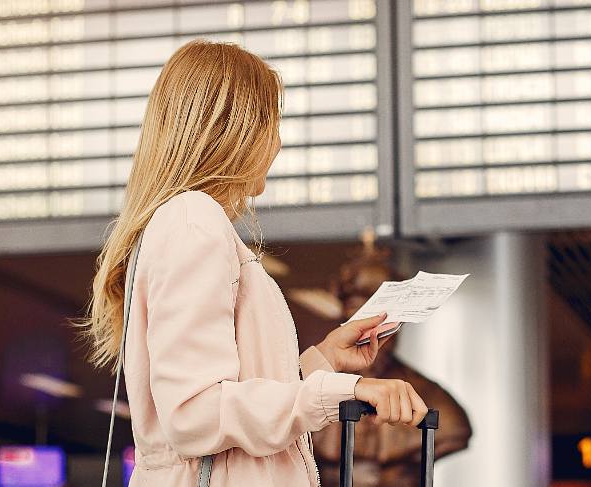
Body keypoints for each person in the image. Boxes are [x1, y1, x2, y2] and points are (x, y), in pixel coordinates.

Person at [77, 40, 428, 486]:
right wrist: (345, 391)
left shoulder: (189, 224)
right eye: (272, 123)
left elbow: (230, 402)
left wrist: (324, 362)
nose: (278, 143)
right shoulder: (193, 220)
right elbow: (195, 415)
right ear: (235, 129)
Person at [311, 245, 472, 487]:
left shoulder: (431, 396)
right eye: (358, 320)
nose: (372, 337)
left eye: (383, 326)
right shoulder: (314, 386)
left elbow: (455, 433)